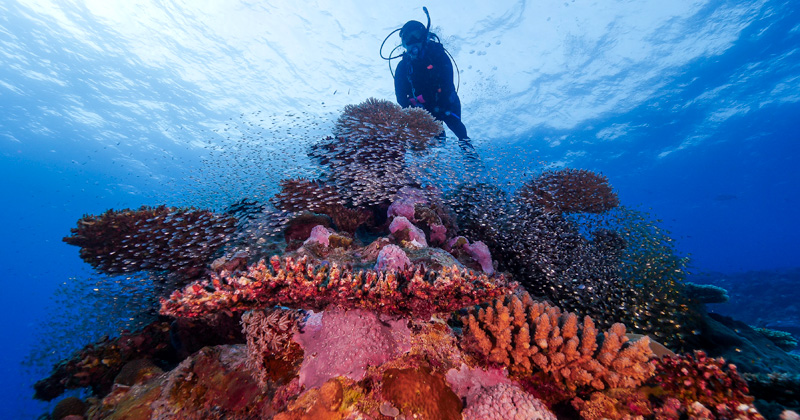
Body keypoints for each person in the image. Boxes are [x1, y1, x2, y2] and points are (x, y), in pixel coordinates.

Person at [394, 20, 475, 152]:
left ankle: (469, 151)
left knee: (457, 127)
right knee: (438, 141)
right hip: (423, 110)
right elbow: (401, 98)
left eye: (416, 35)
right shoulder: (402, 67)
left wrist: (440, 103)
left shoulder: (438, 55)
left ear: (425, 36)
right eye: (408, 38)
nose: (413, 41)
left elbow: (448, 83)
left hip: (447, 103)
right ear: (404, 44)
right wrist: (417, 112)